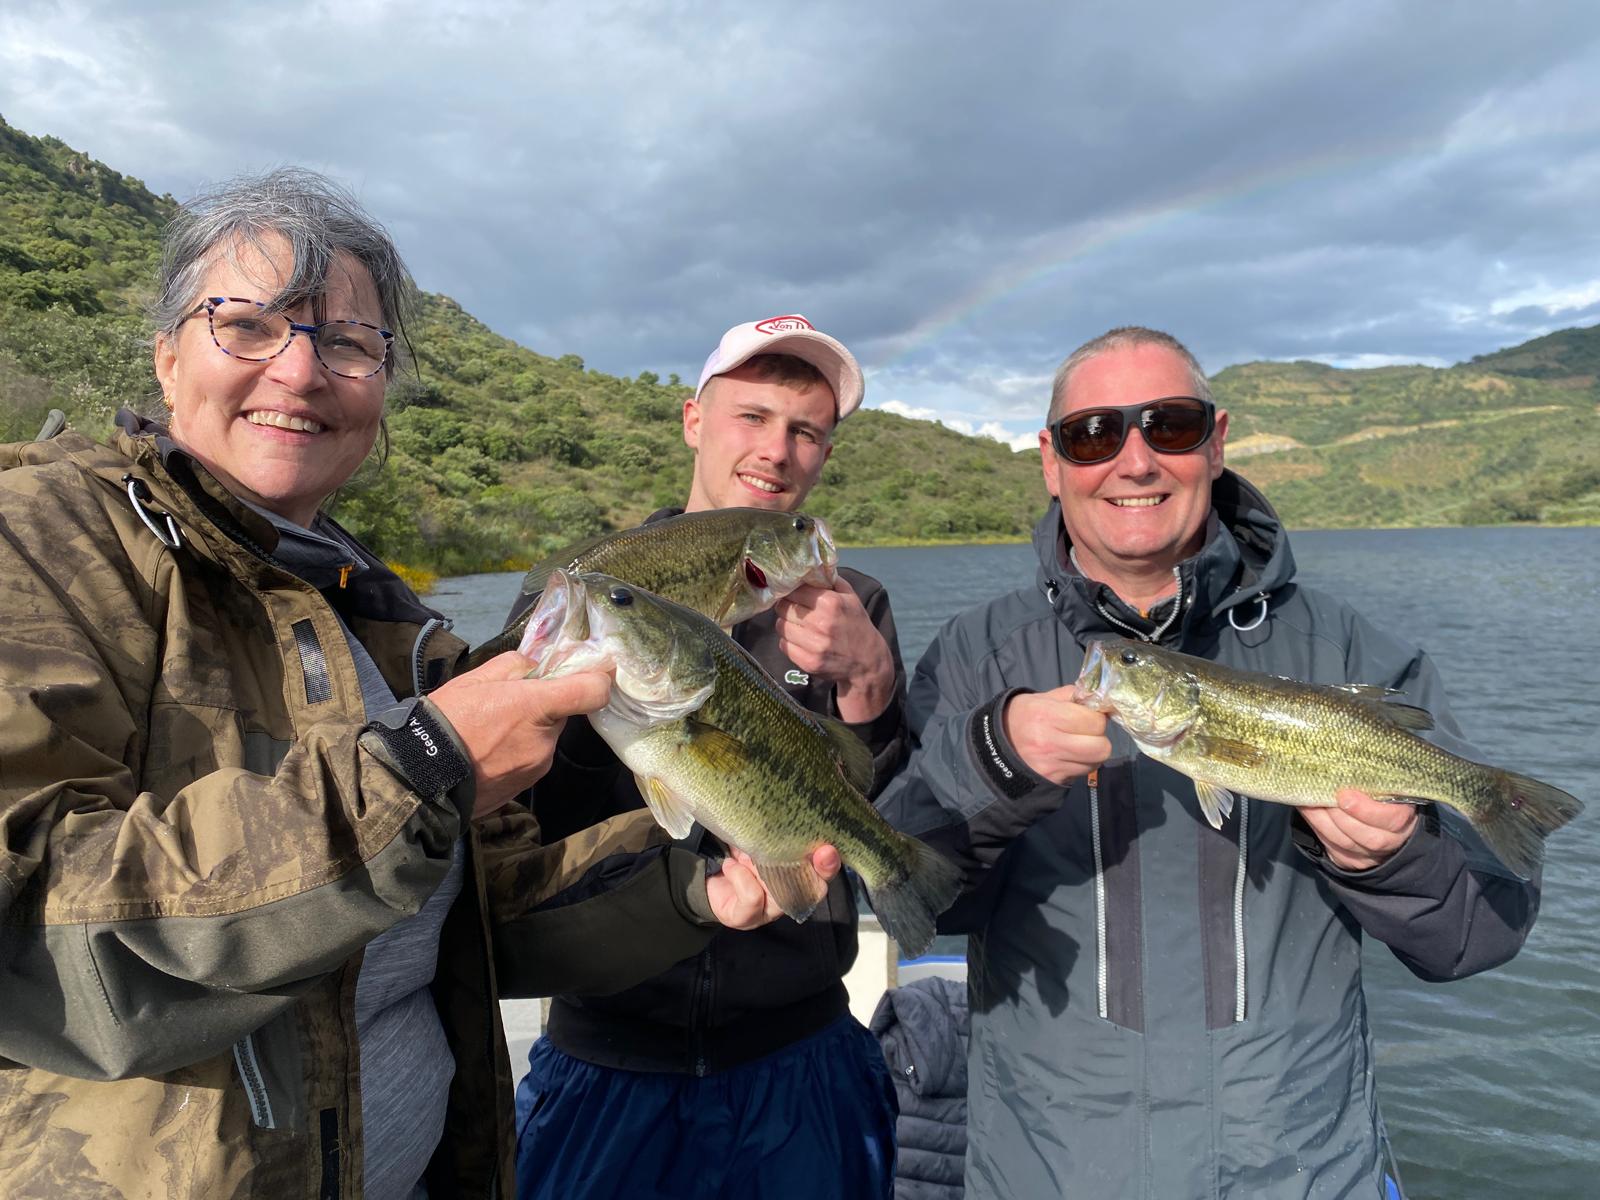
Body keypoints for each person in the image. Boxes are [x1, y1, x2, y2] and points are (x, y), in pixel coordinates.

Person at [0, 171, 822, 1199]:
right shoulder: (35, 539)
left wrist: (693, 892)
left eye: (347, 344)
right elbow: (30, 927)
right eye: (248, 325)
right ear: (169, 356)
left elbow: (480, 916)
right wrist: (419, 767)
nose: (299, 373)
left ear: (382, 389)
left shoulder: (383, 619)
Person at [875, 326, 1541, 1199]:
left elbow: (1476, 936)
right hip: (1052, 1171)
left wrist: (1395, 858)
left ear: (1217, 440)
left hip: (1298, 1172)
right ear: (1050, 460)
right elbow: (910, 897)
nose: (1136, 460)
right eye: (1094, 433)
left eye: (1172, 425)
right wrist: (993, 764)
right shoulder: (974, 656)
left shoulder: (1354, 648)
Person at [509, 316, 908, 1200]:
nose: (777, 449)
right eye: (752, 417)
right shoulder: (589, 586)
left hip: (801, 1055)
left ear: (826, 454)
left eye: (805, 430)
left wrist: (874, 692)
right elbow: (532, 827)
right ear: (695, 419)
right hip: (606, 1050)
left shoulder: (859, 604)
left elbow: (889, 808)